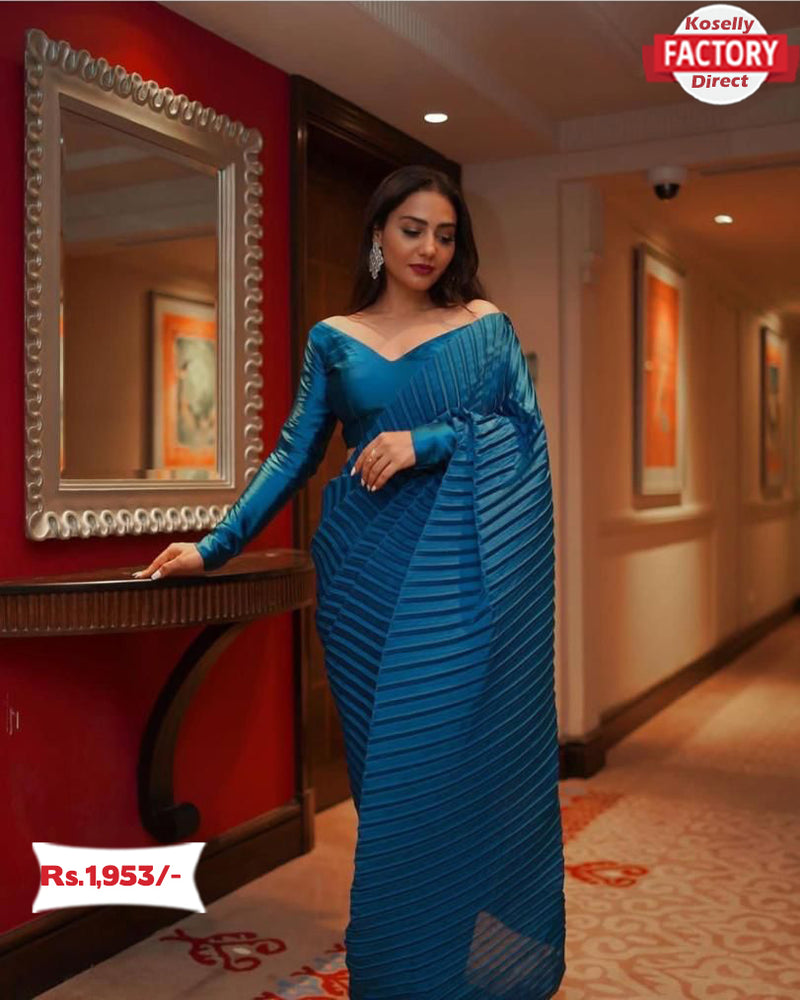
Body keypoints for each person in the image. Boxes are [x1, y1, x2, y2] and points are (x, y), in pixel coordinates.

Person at [134, 165, 566, 999]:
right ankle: (409, 976)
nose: (429, 248)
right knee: (391, 800)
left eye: (445, 235)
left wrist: (425, 441)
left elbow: (522, 435)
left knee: (442, 784)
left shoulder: (484, 327)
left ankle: (441, 977)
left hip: (459, 589)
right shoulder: (334, 338)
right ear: (378, 234)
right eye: (412, 229)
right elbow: (295, 453)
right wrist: (213, 548)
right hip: (363, 579)